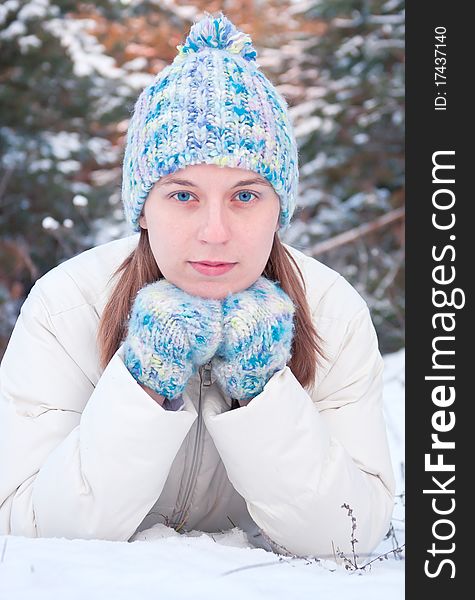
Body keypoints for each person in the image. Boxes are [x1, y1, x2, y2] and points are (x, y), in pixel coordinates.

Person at [0, 12, 395, 559]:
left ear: (281, 208)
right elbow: (28, 529)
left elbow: (347, 535)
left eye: (245, 195)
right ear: (142, 209)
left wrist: (260, 390)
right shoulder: (66, 307)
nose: (215, 233)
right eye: (183, 195)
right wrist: (145, 382)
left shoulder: (332, 314)